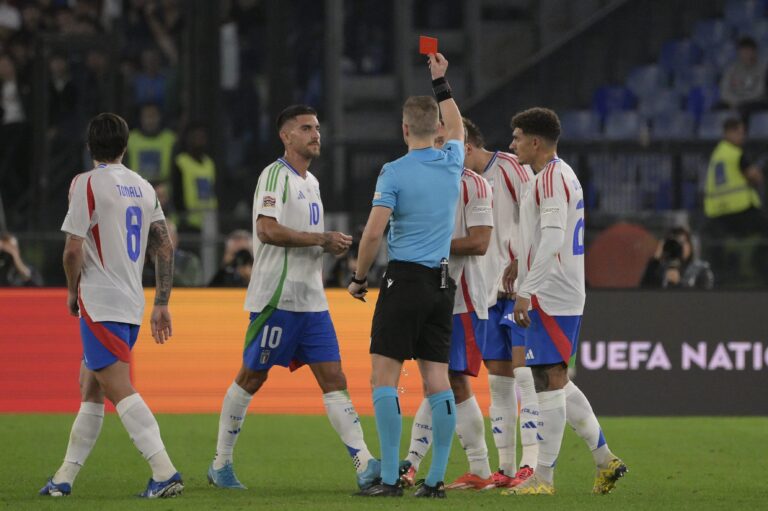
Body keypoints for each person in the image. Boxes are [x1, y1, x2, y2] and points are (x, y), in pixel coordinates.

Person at [207, 105, 380, 492]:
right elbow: (267, 231)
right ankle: (221, 464)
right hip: (276, 299)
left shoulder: (312, 182)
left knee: (334, 379)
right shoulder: (274, 176)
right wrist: (322, 239)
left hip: (312, 301)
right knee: (251, 377)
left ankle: (364, 463)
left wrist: (328, 247)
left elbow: (299, 236)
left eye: (317, 128)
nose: (315, 134)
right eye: (306, 128)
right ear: (286, 137)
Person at [40, 113, 183, 498]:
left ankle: (164, 470)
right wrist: (162, 303)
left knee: (118, 389)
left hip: (100, 302)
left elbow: (73, 250)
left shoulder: (85, 184)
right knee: (90, 386)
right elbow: (165, 246)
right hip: (132, 303)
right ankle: (63, 479)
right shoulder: (144, 187)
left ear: (90, 146)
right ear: (125, 146)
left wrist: (73, 292)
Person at [348, 52, 464, 498]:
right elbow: (457, 126)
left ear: (403, 129)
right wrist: (441, 81)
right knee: (437, 380)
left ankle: (392, 476)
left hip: (405, 281)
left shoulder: (393, 172)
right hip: (441, 284)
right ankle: (434, 481)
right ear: (435, 128)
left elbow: (374, 232)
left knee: (384, 377)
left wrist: (359, 278)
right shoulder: (451, 158)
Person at [505, 107, 626, 496]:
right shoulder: (559, 174)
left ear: (535, 142)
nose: (513, 144)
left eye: (518, 136)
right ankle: (605, 459)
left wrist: (527, 290)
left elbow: (555, 237)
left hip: (552, 294)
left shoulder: (551, 179)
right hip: (556, 290)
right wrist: (517, 264)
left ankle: (543, 478)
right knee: (549, 378)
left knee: (549, 382)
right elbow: (543, 235)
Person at [399, 124, 495, 491]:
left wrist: (431, 244)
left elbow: (480, 242)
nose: (435, 147)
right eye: (434, 140)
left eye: (443, 141)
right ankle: (411, 464)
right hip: (429, 295)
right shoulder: (423, 182)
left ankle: (480, 469)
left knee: (454, 382)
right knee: (434, 383)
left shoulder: (474, 184)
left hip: (464, 299)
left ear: (462, 146)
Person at [456, 117, 540, 489]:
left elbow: (535, 218)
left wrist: (521, 262)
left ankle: (533, 464)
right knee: (501, 385)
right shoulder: (462, 185)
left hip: (518, 290)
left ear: (468, 146)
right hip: (487, 295)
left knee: (532, 377)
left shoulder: (508, 167)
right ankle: (505, 470)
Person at [704, 117, 765, 237]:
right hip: (739, 209)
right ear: (729, 133)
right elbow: (755, 176)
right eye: (739, 133)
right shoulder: (735, 154)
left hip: (717, 211)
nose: (742, 137)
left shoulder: (717, 153)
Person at [171, 122, 217, 231]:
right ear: (188, 139)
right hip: (187, 221)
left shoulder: (209, 163)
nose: (199, 141)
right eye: (196, 137)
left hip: (208, 220)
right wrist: (182, 217)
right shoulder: (181, 162)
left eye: (202, 137)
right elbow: (176, 192)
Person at [641, 227, 714, 289]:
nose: (678, 247)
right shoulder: (658, 268)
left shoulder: (701, 270)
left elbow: (703, 300)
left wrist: (678, 284)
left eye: (682, 242)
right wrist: (656, 258)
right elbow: (644, 291)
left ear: (690, 246)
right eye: (674, 243)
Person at [125, 103, 177, 184]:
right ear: (141, 118)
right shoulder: (130, 139)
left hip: (163, 191)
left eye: (153, 116)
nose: (150, 120)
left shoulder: (170, 138)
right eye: (147, 116)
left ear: (160, 117)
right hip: (137, 189)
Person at [719, 37, 768, 118]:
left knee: (743, 109)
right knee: (718, 108)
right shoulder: (732, 69)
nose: (746, 54)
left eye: (749, 51)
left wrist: (740, 102)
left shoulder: (763, 68)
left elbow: (760, 92)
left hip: (756, 102)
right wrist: (734, 101)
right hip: (735, 102)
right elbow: (724, 90)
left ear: (755, 52)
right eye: (743, 51)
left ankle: (743, 130)